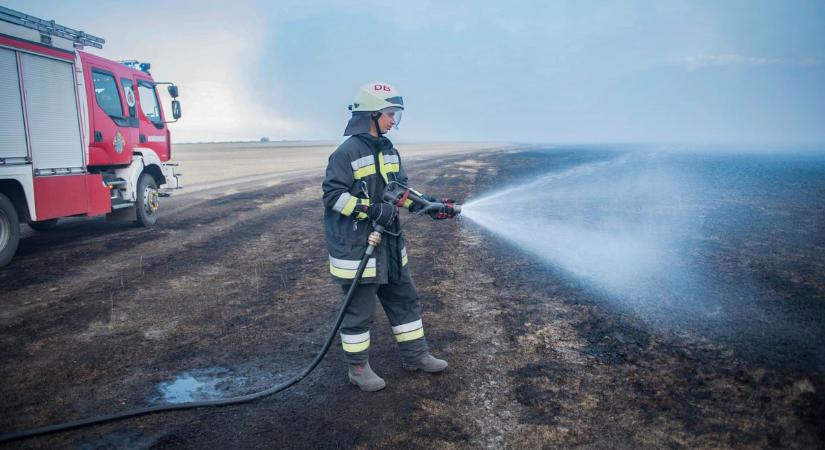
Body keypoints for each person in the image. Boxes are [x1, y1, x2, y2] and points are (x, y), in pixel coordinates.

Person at [321, 82, 457, 391]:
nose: (393, 121)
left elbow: (400, 191)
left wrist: (429, 206)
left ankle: (416, 355)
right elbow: (333, 197)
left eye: (395, 115)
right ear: (372, 114)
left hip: (390, 244)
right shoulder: (345, 153)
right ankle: (358, 369)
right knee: (359, 313)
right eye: (390, 114)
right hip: (359, 248)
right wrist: (369, 210)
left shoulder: (388, 150)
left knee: (405, 300)